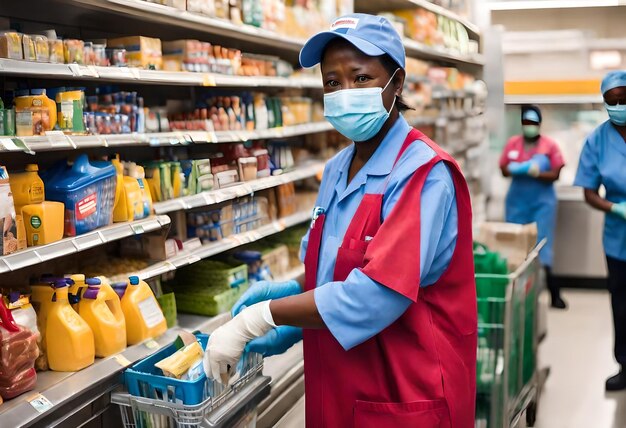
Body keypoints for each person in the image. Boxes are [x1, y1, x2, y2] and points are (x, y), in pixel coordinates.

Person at [206, 13, 477, 427]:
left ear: (396, 83)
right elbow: (334, 271)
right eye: (332, 82)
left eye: (361, 78)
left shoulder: (424, 174)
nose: (345, 91)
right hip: (339, 390)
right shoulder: (336, 170)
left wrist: (262, 317)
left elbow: (376, 293)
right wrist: (293, 294)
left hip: (404, 395)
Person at [574, 70, 626, 391]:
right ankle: (624, 364)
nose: (619, 105)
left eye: (624, 99)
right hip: (618, 240)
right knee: (621, 304)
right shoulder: (597, 140)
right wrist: (616, 208)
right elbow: (589, 191)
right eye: (612, 100)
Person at [499, 105, 567, 309]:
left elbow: (556, 173)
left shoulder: (550, 146)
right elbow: (503, 168)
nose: (530, 127)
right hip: (516, 203)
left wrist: (537, 172)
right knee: (516, 247)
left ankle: (554, 294)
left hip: (541, 204)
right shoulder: (513, 144)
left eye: (533, 123)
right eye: (526, 123)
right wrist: (516, 169)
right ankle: (516, 295)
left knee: (542, 247)